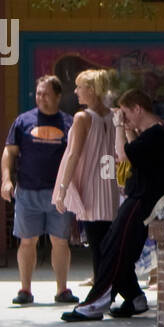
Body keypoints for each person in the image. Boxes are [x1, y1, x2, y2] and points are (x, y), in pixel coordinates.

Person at [60, 89, 164, 322]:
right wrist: (130, 130)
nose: (123, 118)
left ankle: (95, 304)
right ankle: (134, 298)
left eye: (125, 113)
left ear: (137, 109)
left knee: (114, 250)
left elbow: (122, 155)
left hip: (141, 200)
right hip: (139, 198)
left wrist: (119, 127)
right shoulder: (154, 133)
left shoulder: (156, 134)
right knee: (119, 250)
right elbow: (135, 155)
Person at [1, 75, 77, 305]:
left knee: (60, 241)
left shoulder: (69, 123)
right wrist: (6, 179)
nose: (40, 97)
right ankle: (25, 290)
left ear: (57, 96)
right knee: (26, 241)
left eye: (45, 93)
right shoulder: (23, 121)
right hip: (27, 191)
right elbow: (9, 152)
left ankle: (62, 290)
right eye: (38, 93)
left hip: (59, 194)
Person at [53, 70, 120, 278]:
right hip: (108, 187)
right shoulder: (113, 116)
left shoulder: (82, 117)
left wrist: (63, 189)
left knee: (97, 245)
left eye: (79, 87)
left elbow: (73, 154)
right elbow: (111, 156)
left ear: (91, 90)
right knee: (107, 244)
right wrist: (109, 181)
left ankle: (101, 292)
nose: (75, 91)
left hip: (91, 189)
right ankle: (108, 289)